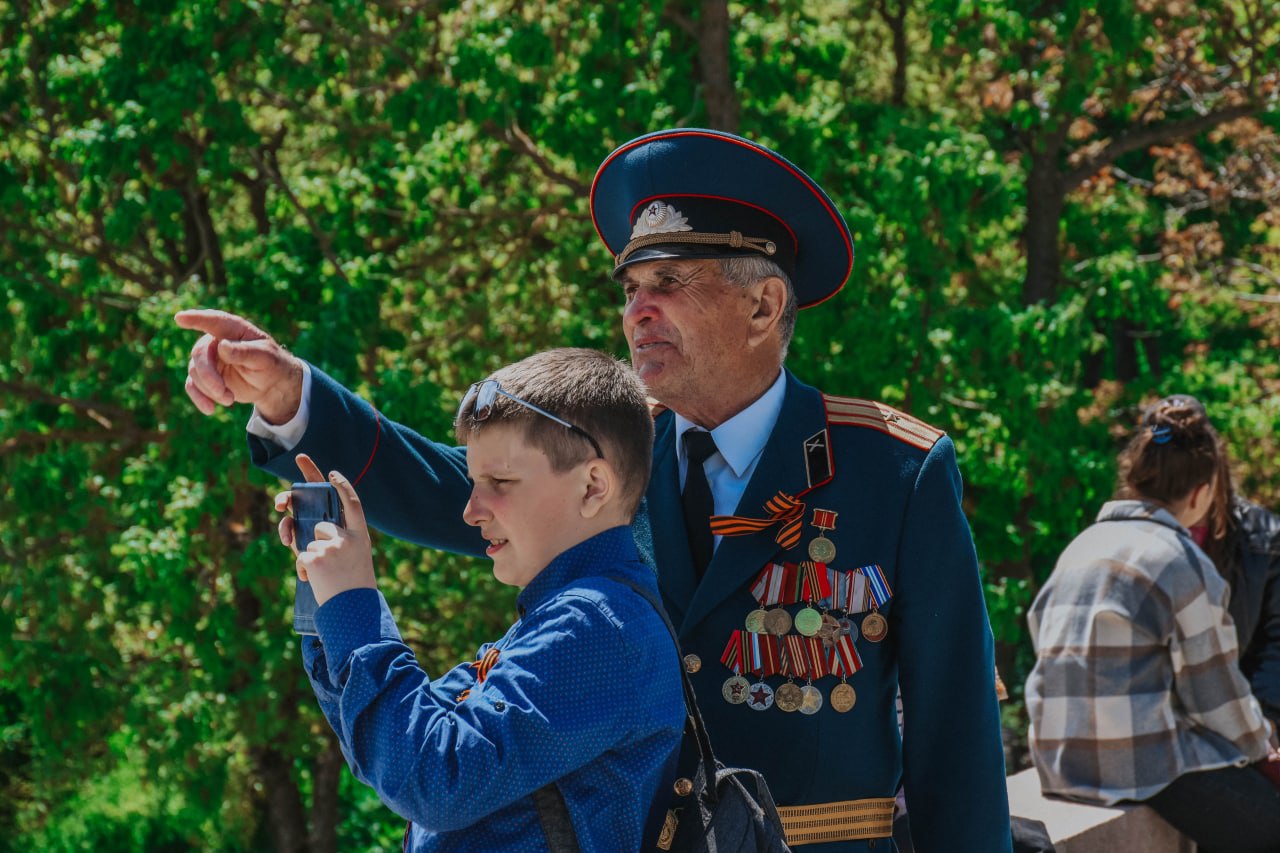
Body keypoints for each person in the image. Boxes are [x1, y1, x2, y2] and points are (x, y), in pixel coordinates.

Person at [178, 128, 1012, 851]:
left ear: (763, 306)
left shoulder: (893, 470)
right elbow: (452, 490)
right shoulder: (607, 450)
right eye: (630, 290)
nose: (636, 312)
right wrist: (293, 401)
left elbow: (957, 744)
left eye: (670, 284)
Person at [276, 348, 685, 851]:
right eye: (473, 482)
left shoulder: (598, 625)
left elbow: (433, 779)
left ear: (593, 486)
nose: (471, 510)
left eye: (501, 482)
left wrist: (354, 600)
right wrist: (327, 605)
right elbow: (392, 748)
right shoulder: (564, 617)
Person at [1025, 396, 1280, 852]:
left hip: (1060, 763)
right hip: (1139, 768)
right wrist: (1263, 746)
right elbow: (1215, 696)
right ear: (1202, 491)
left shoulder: (1082, 547)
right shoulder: (1180, 559)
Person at [1154, 395, 1280, 730]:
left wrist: (1263, 720)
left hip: (1244, 714)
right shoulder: (1128, 537)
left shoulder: (1262, 538)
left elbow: (1275, 642)